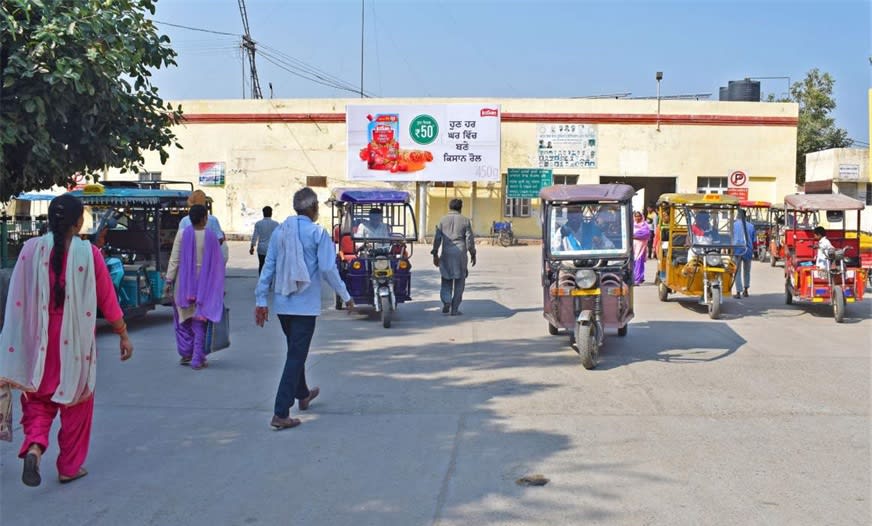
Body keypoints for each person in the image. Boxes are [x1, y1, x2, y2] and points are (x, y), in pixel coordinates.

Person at [0, 194, 133, 487]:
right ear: (78, 222)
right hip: (74, 343)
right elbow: (107, 299)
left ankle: (34, 446)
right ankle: (69, 467)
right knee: (77, 403)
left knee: (37, 400)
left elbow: (16, 298)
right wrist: (122, 333)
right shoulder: (89, 254)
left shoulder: (31, 249)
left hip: (39, 343)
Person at [255, 187, 354, 430]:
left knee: (294, 352)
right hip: (304, 307)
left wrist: (260, 299)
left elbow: (269, 266)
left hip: (283, 304)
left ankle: (303, 393)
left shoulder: (281, 231)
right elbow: (329, 269)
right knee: (296, 356)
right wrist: (346, 296)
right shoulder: (317, 233)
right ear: (312, 208)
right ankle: (280, 412)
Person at [165, 205, 225, 370]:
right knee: (200, 323)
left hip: (183, 286)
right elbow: (218, 264)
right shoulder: (211, 237)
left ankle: (187, 353)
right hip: (204, 288)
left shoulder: (182, 234)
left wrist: (168, 280)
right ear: (205, 218)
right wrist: (218, 288)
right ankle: (197, 359)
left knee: (183, 321)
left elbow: (174, 260)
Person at [431, 198, 476, 315]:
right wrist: (473, 253)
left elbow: (437, 239)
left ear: (449, 207)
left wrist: (435, 252)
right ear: (460, 208)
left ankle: (446, 300)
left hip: (446, 253)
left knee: (446, 278)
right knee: (460, 281)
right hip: (460, 254)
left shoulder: (442, 220)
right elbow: (469, 239)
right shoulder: (465, 220)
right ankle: (455, 309)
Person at [179, 190, 228, 264]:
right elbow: (220, 239)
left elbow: (180, 242)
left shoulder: (184, 221)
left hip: (190, 260)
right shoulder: (212, 219)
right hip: (208, 260)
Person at [732, 211, 756, 298]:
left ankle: (738, 292)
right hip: (748, 250)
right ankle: (746, 290)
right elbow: (754, 240)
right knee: (747, 271)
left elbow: (730, 237)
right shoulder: (751, 226)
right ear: (745, 216)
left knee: (737, 271)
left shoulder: (733, 225)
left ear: (737, 216)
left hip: (737, 250)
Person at [250, 206, 279, 275]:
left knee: (261, 265)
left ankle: (261, 281)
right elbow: (278, 237)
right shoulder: (276, 224)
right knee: (271, 266)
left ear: (263, 213)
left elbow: (255, 236)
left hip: (261, 248)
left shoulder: (258, 223)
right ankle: (270, 282)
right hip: (272, 249)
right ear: (271, 213)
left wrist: (252, 247)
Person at [632, 211, 651, 285]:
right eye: (636, 216)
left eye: (639, 216)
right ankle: (635, 277)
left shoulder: (644, 225)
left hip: (641, 247)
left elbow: (646, 234)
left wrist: (634, 236)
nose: (637, 218)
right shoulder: (632, 225)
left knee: (639, 262)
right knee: (633, 262)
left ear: (641, 216)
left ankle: (638, 278)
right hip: (634, 246)